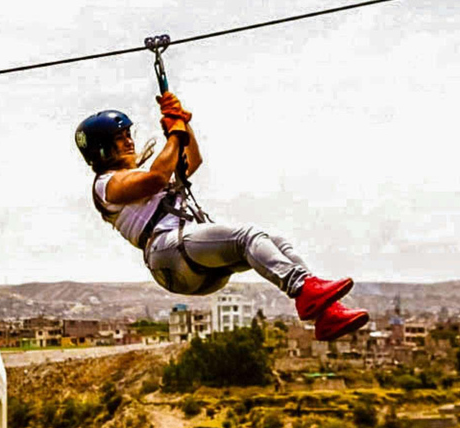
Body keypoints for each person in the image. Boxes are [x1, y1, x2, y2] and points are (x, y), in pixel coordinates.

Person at [74, 92, 369, 341]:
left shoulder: (137, 176)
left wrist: (183, 125)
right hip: (169, 252)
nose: (128, 141)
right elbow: (157, 178)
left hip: (187, 261)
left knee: (274, 241)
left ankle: (326, 314)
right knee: (246, 236)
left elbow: (193, 161)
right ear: (103, 150)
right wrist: (175, 133)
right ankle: (303, 289)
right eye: (119, 138)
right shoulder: (105, 185)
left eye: (127, 134)